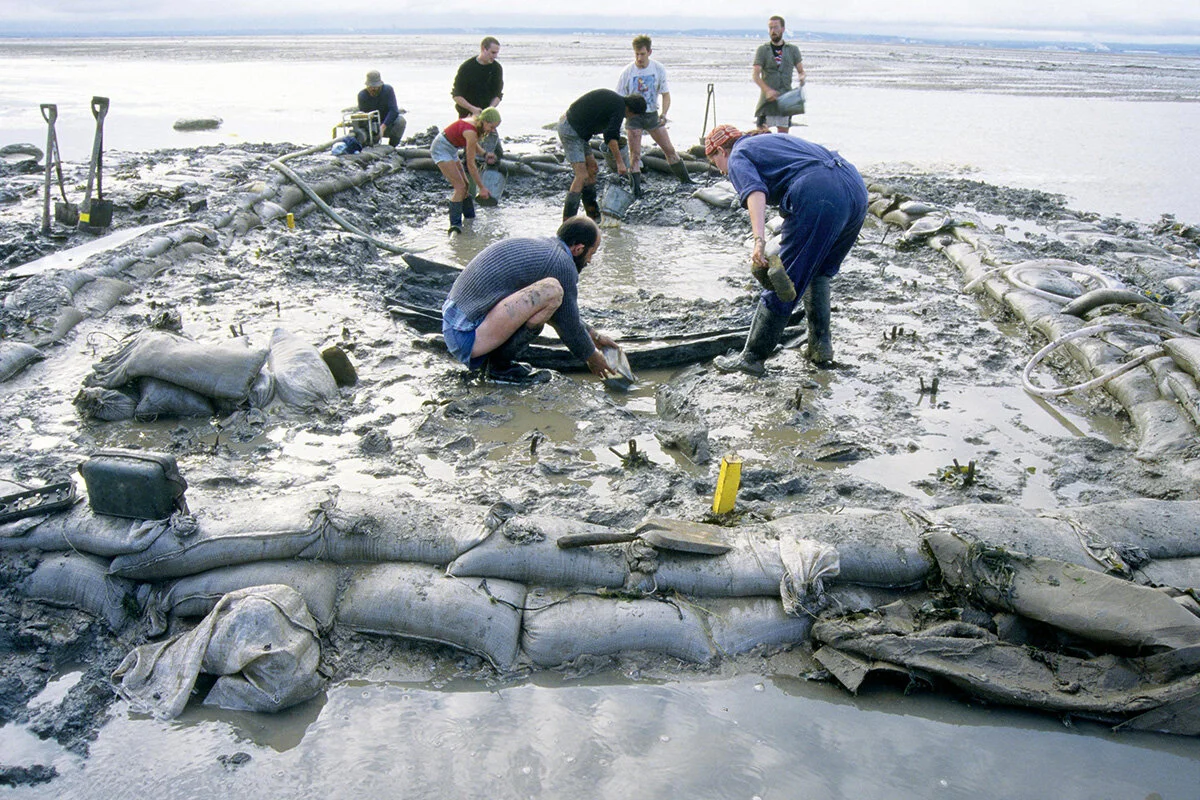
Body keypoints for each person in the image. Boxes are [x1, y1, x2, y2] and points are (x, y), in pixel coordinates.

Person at [704, 124, 867, 375]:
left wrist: (759, 240)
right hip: (854, 187)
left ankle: (752, 358)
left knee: (783, 278)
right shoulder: (768, 142)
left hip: (818, 191)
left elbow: (755, 192)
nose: (722, 172)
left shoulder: (738, 154)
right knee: (819, 271)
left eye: (715, 163)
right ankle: (820, 349)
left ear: (719, 151)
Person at [441, 217, 620, 384]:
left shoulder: (547, 249)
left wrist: (595, 336)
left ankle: (495, 363)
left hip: (456, 325)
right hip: (466, 336)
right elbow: (569, 325)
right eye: (592, 253)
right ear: (578, 249)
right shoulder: (562, 263)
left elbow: (564, 313)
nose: (589, 260)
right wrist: (592, 358)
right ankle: (499, 368)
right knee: (552, 292)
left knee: (548, 300)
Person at [615, 34, 691, 197]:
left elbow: (665, 94)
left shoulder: (657, 69)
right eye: (636, 54)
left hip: (652, 115)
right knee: (634, 155)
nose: (639, 58)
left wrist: (664, 114)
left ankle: (686, 181)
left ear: (649, 52)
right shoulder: (627, 72)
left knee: (669, 150)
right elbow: (619, 98)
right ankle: (635, 190)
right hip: (633, 118)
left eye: (642, 54)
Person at [556, 89, 646, 221]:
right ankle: (568, 221)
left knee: (592, 169)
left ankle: (593, 216)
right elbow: (610, 137)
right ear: (631, 111)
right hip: (570, 130)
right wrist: (620, 163)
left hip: (579, 132)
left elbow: (608, 133)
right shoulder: (619, 108)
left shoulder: (617, 103)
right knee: (581, 175)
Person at [431, 108, 501, 233]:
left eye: (495, 128)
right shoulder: (470, 131)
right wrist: (482, 188)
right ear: (484, 121)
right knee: (460, 187)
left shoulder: (476, 124)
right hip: (441, 148)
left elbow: (474, 144)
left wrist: (484, 154)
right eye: (491, 127)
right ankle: (455, 226)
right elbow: (471, 164)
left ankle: (469, 219)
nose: (492, 130)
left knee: (466, 185)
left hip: (451, 148)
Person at [752, 16, 806, 133]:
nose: (773, 31)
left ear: (783, 29)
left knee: (782, 139)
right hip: (766, 103)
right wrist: (767, 90)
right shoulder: (762, 50)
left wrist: (802, 78)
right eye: (770, 28)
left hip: (785, 100)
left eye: (776, 27)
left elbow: (801, 71)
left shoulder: (792, 50)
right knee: (761, 137)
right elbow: (756, 75)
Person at [452, 37, 504, 119]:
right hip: (466, 115)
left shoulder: (496, 68)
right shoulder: (467, 67)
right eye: (493, 53)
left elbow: (498, 94)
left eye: (496, 53)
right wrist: (472, 109)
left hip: (486, 117)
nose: (495, 56)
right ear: (483, 49)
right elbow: (456, 95)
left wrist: (489, 110)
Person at [357, 70, 406, 146]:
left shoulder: (388, 90)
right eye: (371, 87)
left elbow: (394, 111)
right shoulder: (362, 95)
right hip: (372, 126)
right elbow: (364, 118)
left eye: (375, 87)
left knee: (401, 121)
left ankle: (392, 146)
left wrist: (383, 127)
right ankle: (371, 143)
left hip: (387, 124)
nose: (373, 89)